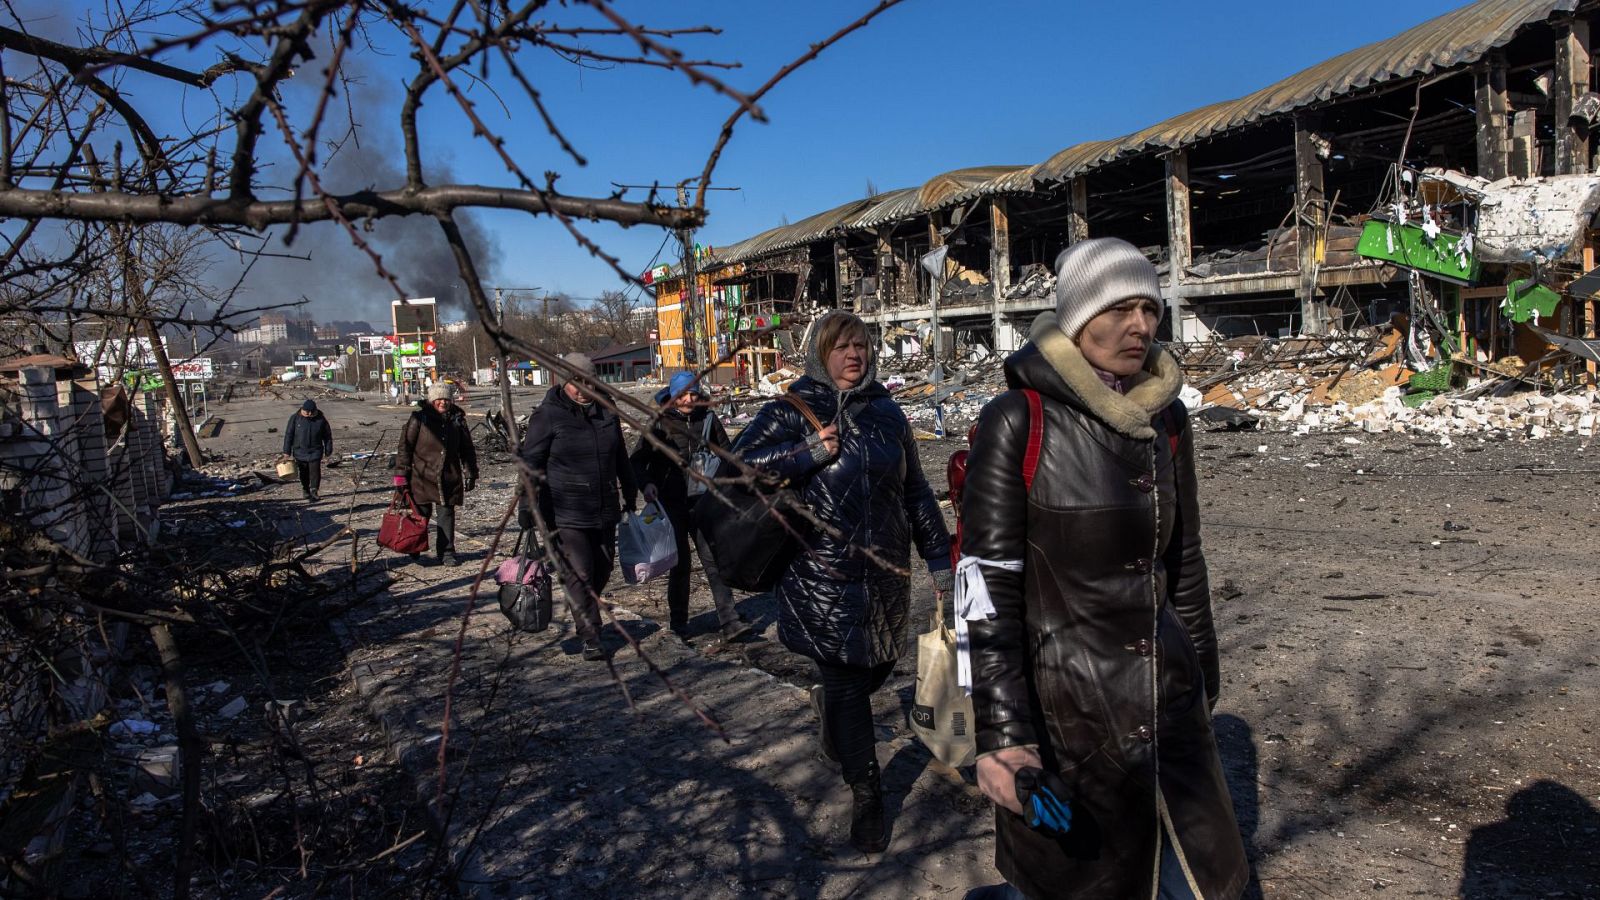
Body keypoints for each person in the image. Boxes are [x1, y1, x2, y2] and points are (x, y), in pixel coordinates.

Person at [960, 238, 1249, 900]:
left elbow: (1184, 560)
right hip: (1068, 715)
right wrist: (1004, 738)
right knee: (1081, 882)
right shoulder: (1018, 420)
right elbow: (986, 586)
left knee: (1200, 882)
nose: (1140, 327)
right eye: (1120, 309)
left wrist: (1201, 680)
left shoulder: (1168, 419)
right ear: (1078, 317)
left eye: (1150, 309)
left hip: (1167, 706)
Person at [732, 311, 951, 854]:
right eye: (842, 346)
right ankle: (868, 791)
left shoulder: (887, 411)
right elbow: (731, 468)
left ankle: (832, 710)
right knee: (850, 682)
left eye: (862, 345)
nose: (855, 354)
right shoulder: (791, 409)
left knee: (877, 665)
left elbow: (917, 493)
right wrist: (805, 453)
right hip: (820, 573)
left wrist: (940, 561)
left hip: (885, 574)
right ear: (820, 351)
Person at [518, 353, 638, 661]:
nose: (582, 389)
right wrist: (526, 505)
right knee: (580, 572)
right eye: (575, 383)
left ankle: (585, 611)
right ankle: (590, 635)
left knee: (603, 567)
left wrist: (631, 488)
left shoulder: (606, 410)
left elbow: (620, 455)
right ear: (563, 381)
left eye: (587, 382)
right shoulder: (548, 415)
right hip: (565, 509)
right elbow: (530, 463)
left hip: (604, 505)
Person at [629, 371, 749, 642]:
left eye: (693, 393)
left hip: (704, 502)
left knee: (714, 561)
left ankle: (730, 621)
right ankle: (679, 624)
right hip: (672, 503)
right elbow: (637, 460)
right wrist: (647, 484)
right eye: (683, 394)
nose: (689, 399)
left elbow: (727, 454)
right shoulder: (660, 424)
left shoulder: (707, 418)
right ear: (672, 396)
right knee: (680, 564)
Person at [394, 383, 479, 567]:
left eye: (446, 399)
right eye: (439, 399)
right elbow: (405, 448)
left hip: (449, 475)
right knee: (420, 515)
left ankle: (447, 552)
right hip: (421, 476)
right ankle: (415, 545)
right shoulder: (419, 418)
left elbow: (467, 449)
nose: (443, 402)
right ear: (432, 400)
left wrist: (470, 472)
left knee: (446, 514)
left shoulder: (458, 419)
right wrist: (401, 475)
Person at [282, 399, 332, 501]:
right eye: (306, 412)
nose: (308, 414)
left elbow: (327, 436)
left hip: (315, 450)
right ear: (302, 410)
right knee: (304, 472)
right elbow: (289, 435)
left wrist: (328, 449)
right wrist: (286, 452)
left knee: (315, 472)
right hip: (300, 451)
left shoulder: (321, 420)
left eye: (310, 412)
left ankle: (314, 491)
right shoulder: (295, 418)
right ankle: (305, 489)